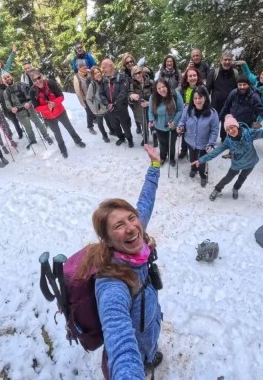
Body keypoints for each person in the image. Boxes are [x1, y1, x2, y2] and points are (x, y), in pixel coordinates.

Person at [76, 144, 164, 380]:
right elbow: (120, 343)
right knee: (143, 354)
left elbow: (146, 200)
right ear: (106, 239)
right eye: (118, 225)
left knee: (152, 340)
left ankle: (151, 353)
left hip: (151, 319)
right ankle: (147, 363)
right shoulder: (111, 285)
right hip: (138, 341)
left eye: (131, 218)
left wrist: (155, 165)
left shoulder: (136, 234)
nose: (131, 228)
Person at [193, 115, 263, 200]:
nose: (231, 130)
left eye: (232, 127)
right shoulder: (227, 141)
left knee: (243, 177)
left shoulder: (248, 133)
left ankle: (236, 188)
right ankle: (217, 189)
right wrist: (201, 160)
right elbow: (214, 153)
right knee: (228, 178)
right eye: (228, 129)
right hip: (237, 164)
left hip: (251, 162)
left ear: (237, 125)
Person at [219, 74, 263, 158]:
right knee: (232, 137)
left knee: (244, 139)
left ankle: (243, 154)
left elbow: (262, 110)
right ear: (237, 85)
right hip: (234, 121)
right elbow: (226, 106)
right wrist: (219, 118)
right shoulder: (234, 93)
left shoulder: (254, 96)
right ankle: (232, 153)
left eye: (244, 84)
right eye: (240, 85)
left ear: (248, 85)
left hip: (246, 122)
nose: (242, 87)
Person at [29, 70, 86, 158]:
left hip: (60, 111)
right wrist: (47, 107)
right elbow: (36, 108)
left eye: (38, 78)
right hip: (48, 116)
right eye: (34, 80)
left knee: (69, 127)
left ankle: (78, 140)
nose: (37, 81)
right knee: (57, 133)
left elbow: (61, 96)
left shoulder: (50, 83)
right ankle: (63, 149)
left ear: (41, 76)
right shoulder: (32, 91)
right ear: (32, 81)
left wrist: (54, 103)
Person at [177, 88, 219, 187]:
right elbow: (182, 121)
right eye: (195, 98)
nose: (197, 101)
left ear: (205, 98)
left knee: (202, 162)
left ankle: (203, 175)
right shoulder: (187, 109)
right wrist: (180, 127)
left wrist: (211, 143)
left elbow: (214, 130)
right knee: (192, 158)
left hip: (204, 144)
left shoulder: (212, 113)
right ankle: (193, 168)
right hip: (190, 141)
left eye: (200, 98)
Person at [2, 72, 54, 148]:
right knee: (27, 127)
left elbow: (32, 96)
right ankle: (32, 140)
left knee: (39, 123)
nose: (7, 79)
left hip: (29, 109)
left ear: (11, 76)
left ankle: (46, 136)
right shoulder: (6, 92)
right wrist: (11, 108)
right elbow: (7, 103)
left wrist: (29, 103)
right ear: (4, 80)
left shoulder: (22, 85)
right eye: (5, 78)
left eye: (8, 76)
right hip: (20, 112)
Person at [148, 80, 184, 166]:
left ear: (167, 86)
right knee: (162, 143)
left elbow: (180, 110)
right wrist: (152, 120)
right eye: (159, 88)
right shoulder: (153, 97)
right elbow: (150, 111)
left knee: (171, 143)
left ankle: (171, 157)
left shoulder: (175, 95)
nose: (161, 90)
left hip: (172, 126)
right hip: (159, 126)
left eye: (163, 87)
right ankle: (162, 157)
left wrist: (174, 122)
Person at [99, 59, 134, 147]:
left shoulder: (121, 76)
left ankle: (129, 139)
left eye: (104, 67)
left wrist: (115, 104)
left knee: (126, 125)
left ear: (111, 66)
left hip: (121, 107)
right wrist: (107, 104)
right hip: (110, 109)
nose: (102, 69)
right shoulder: (104, 79)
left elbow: (124, 91)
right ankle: (121, 137)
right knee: (115, 126)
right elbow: (101, 93)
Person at [206, 51, 239, 140]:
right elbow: (207, 89)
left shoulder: (235, 73)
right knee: (213, 124)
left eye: (229, 60)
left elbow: (238, 89)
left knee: (227, 123)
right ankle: (210, 140)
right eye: (225, 60)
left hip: (229, 105)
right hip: (215, 105)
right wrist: (205, 103)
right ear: (221, 60)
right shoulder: (214, 72)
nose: (227, 62)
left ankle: (224, 139)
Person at [236, 61, 263, 127]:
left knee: (247, 133)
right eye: (262, 74)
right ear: (260, 75)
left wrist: (257, 121)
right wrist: (244, 64)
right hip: (247, 111)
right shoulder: (257, 81)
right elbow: (248, 74)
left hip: (255, 116)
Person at [178, 68, 204, 159]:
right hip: (186, 115)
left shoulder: (202, 88)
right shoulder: (183, 88)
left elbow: (207, 101)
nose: (193, 78)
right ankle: (184, 150)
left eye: (194, 75)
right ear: (187, 78)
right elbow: (176, 97)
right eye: (190, 76)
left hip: (198, 115)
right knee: (185, 132)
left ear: (197, 77)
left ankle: (197, 153)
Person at [0, 73, 25, 140]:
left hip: (14, 104)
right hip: (7, 108)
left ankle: (22, 129)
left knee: (20, 118)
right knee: (15, 121)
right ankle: (20, 133)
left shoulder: (6, 84)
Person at [129, 65, 154, 146]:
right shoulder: (132, 85)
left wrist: (149, 103)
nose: (138, 75)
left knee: (152, 123)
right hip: (140, 109)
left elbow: (157, 97)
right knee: (144, 125)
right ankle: (145, 139)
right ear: (133, 76)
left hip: (151, 108)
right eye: (135, 74)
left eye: (139, 73)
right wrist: (131, 96)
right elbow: (129, 96)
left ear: (142, 73)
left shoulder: (151, 82)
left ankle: (155, 138)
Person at [86, 66, 111, 143]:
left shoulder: (105, 81)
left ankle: (112, 131)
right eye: (95, 73)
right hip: (98, 108)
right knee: (100, 123)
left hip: (106, 106)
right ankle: (104, 135)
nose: (97, 74)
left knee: (108, 120)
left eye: (98, 72)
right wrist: (94, 110)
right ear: (93, 76)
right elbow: (88, 99)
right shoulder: (92, 85)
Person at [73, 59, 97, 135]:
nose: (85, 67)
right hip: (85, 98)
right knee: (89, 112)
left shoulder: (89, 73)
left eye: (85, 65)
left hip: (93, 95)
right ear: (79, 68)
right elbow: (77, 91)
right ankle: (90, 127)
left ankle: (95, 118)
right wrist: (82, 102)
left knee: (94, 108)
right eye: (83, 67)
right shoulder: (76, 77)